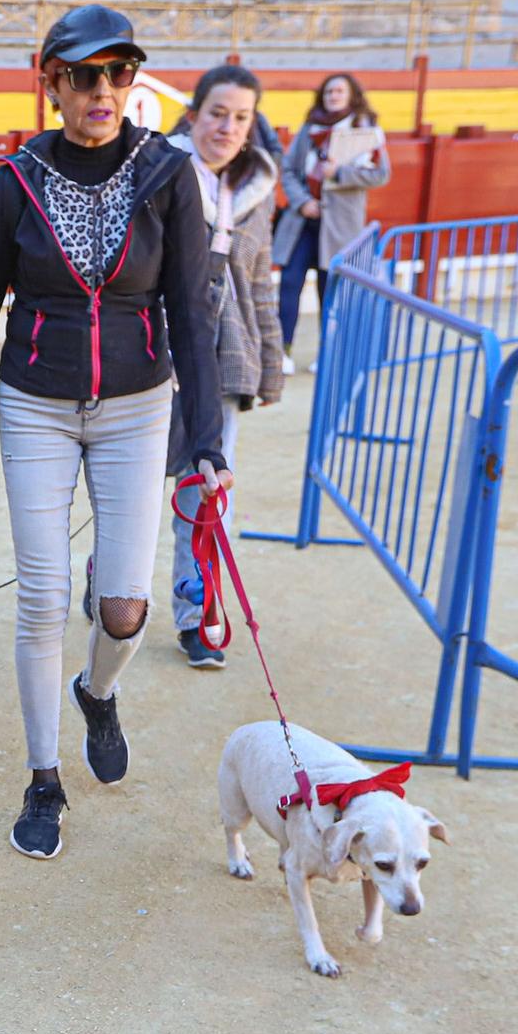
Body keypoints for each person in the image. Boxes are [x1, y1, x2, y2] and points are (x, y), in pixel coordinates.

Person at [0, 4, 229, 862]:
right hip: (36, 403)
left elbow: (188, 314)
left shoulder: (167, 172)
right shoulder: (16, 178)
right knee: (42, 594)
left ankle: (98, 691)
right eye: (85, 75)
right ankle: (43, 777)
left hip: (138, 405)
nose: (104, 90)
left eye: (119, 72)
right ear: (51, 80)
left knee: (126, 606)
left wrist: (204, 444)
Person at [165, 65, 284, 670]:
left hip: (227, 358)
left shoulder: (258, 191)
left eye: (241, 117)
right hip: (157, 355)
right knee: (129, 495)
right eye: (217, 113)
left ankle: (196, 613)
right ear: (193, 115)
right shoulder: (161, 172)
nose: (227, 127)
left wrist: (269, 365)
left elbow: (259, 281)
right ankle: (104, 578)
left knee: (206, 492)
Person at [272, 72, 388, 371]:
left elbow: (380, 174)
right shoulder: (310, 128)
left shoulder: (365, 130)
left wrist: (338, 174)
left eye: (339, 91)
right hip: (303, 220)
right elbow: (288, 170)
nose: (333, 96)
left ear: (351, 96)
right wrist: (303, 201)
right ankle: (281, 351)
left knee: (330, 289)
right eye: (328, 91)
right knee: (289, 282)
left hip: (339, 223)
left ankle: (329, 352)